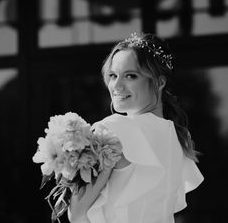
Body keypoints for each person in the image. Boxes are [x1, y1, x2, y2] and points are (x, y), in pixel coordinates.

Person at [68, 32, 204, 223]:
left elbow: (77, 214)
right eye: (113, 75)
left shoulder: (114, 130)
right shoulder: (178, 138)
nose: (117, 85)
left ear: (159, 82)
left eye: (130, 76)